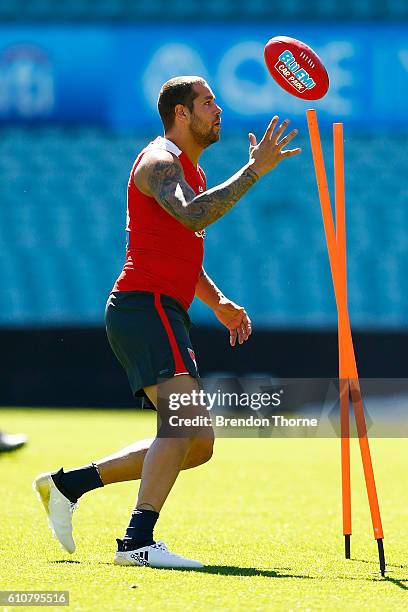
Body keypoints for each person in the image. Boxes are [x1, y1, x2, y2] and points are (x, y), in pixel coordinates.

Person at [33, 76, 301, 568]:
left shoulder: (191, 170)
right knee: (182, 427)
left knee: (197, 443)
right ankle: (136, 542)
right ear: (181, 113)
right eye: (207, 102)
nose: (217, 109)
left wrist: (217, 301)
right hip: (144, 307)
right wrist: (254, 171)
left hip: (159, 310)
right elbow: (193, 215)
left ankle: (67, 486)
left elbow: (181, 251)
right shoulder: (159, 161)